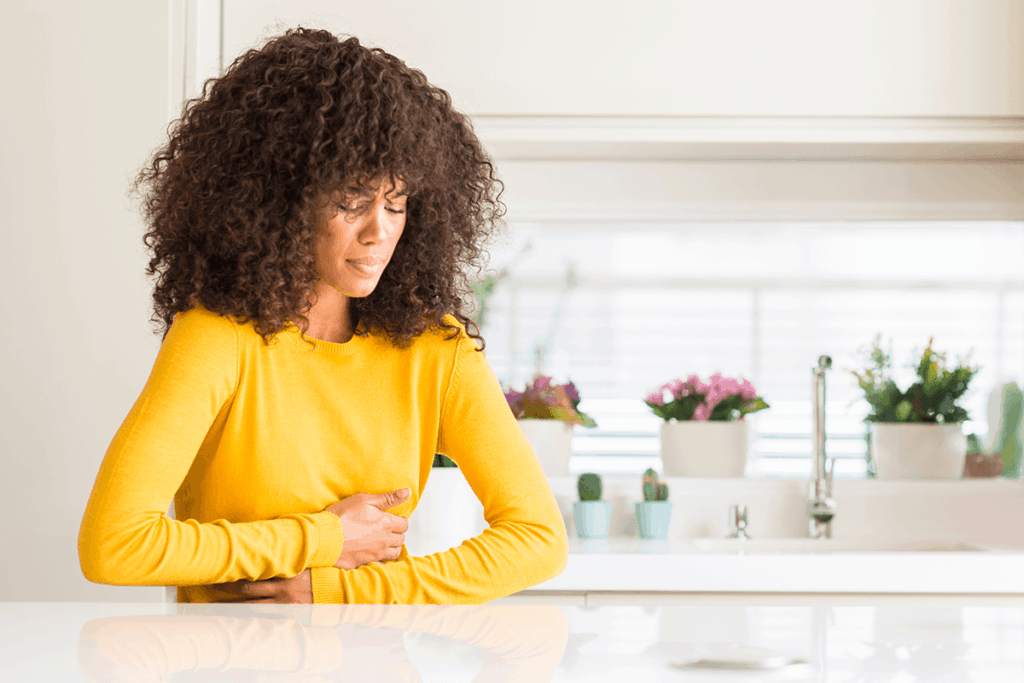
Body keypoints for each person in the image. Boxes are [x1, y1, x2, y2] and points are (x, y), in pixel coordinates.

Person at [78, 27, 568, 603]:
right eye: (350, 201)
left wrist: (338, 590)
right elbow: (114, 544)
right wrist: (324, 537)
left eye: (396, 203)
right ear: (281, 199)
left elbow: (539, 540)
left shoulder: (437, 348)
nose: (379, 231)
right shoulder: (217, 339)